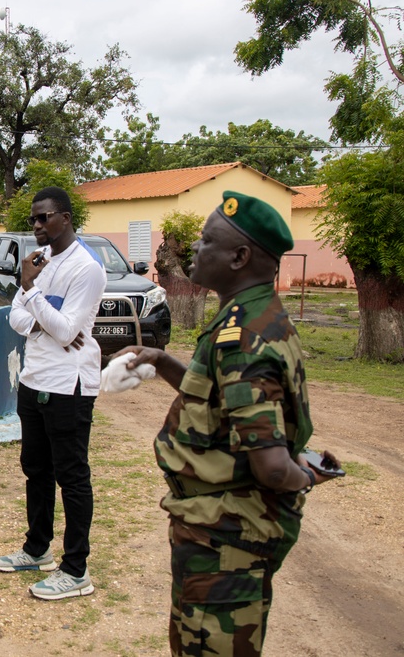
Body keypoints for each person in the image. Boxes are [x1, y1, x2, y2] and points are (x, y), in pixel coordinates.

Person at [117, 191, 340, 656]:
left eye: (206, 241)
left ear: (239, 256)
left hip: (228, 537)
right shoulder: (245, 317)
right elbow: (219, 396)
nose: (195, 249)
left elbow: (273, 468)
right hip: (214, 528)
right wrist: (161, 360)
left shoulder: (246, 338)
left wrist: (305, 477)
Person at [0, 186, 107, 600]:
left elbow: (66, 330)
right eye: (33, 220)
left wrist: (32, 291)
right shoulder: (42, 263)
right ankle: (36, 549)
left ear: (66, 217)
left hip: (68, 385)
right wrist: (43, 316)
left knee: (72, 476)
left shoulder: (86, 268)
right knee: (35, 470)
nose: (37, 226)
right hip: (34, 377)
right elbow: (18, 319)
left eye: (45, 218)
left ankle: (76, 570)